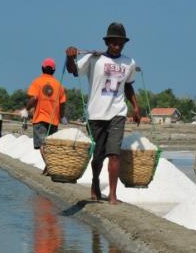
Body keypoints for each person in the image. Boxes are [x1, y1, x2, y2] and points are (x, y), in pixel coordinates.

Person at [66, 22, 142, 204]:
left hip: (118, 113)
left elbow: (128, 85)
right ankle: (95, 181)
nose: (117, 46)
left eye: (120, 43)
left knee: (114, 154)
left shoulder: (129, 62)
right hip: (96, 114)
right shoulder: (94, 59)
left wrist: (136, 107)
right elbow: (73, 71)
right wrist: (70, 57)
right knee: (98, 155)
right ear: (107, 42)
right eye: (114, 42)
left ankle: (113, 194)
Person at [23, 57, 66, 151]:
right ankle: (49, 165)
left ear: (42, 68)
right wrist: (62, 117)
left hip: (40, 119)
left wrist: (26, 110)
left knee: (42, 145)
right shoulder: (59, 85)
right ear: (54, 71)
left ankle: (49, 165)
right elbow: (62, 103)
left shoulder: (37, 82)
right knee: (50, 147)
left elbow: (34, 98)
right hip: (53, 121)